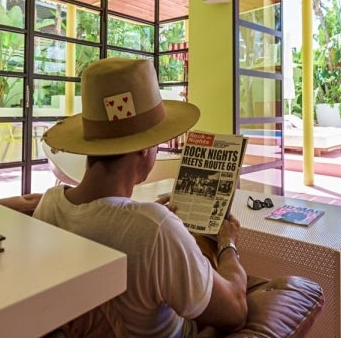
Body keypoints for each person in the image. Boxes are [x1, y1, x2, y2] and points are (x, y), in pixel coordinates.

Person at [34, 57, 248, 338]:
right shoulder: (154, 230)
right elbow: (235, 311)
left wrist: (147, 216)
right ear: (144, 148)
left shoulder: (48, 207)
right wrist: (227, 245)